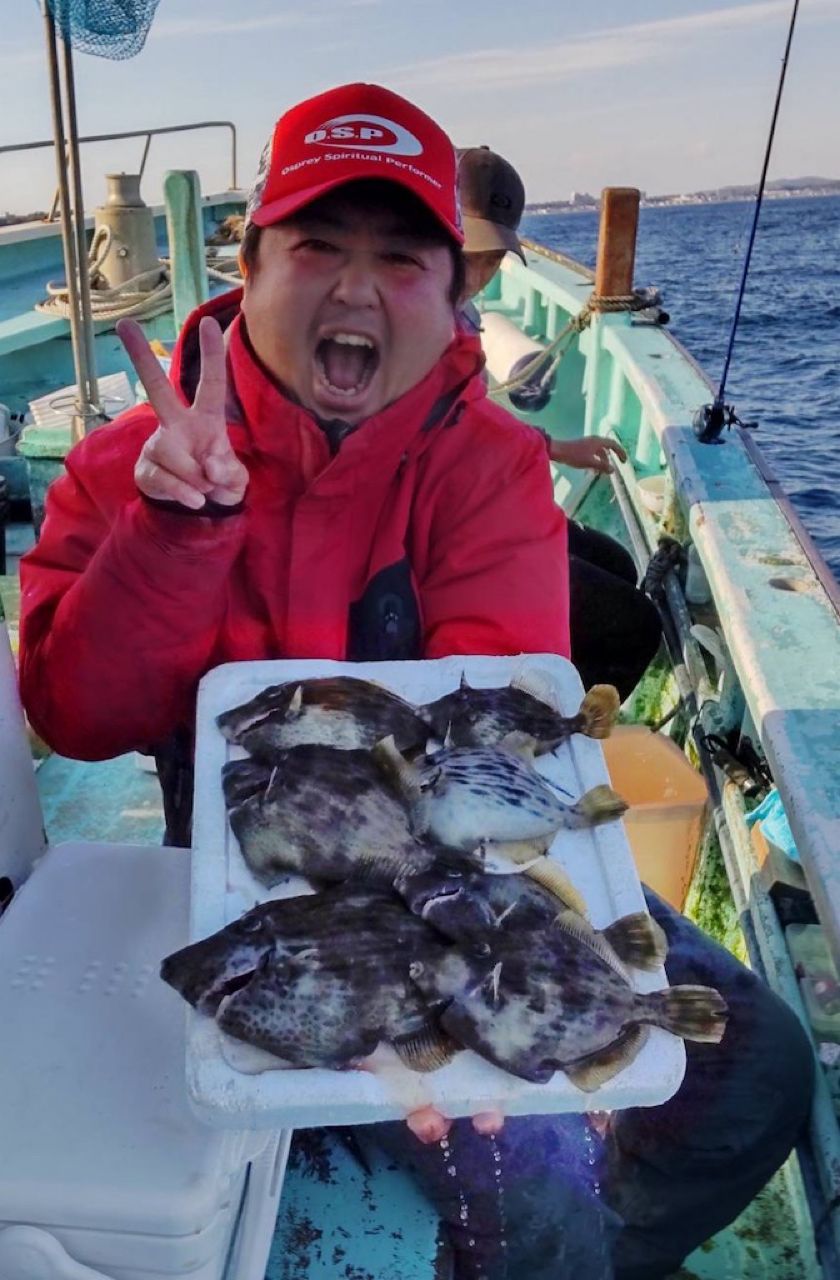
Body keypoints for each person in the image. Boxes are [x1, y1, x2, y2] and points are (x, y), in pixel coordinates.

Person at [19, 83, 812, 1279]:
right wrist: (173, 528)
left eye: (399, 257)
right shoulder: (128, 465)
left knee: (758, 1066)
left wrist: (461, 997)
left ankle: (613, 1247)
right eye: (317, 246)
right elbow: (75, 717)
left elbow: (503, 720)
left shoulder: (491, 467)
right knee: (535, 1192)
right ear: (251, 265)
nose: (354, 286)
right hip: (250, 895)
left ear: (454, 293)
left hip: (472, 884)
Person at [457, 145, 662, 701]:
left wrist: (553, 448)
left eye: (492, 256)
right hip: (451, 541)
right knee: (634, 626)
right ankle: (551, 731)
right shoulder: (411, 326)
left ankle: (553, 697)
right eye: (467, 250)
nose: (479, 271)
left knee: (615, 559)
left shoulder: (457, 316)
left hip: (479, 508)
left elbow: (468, 424)